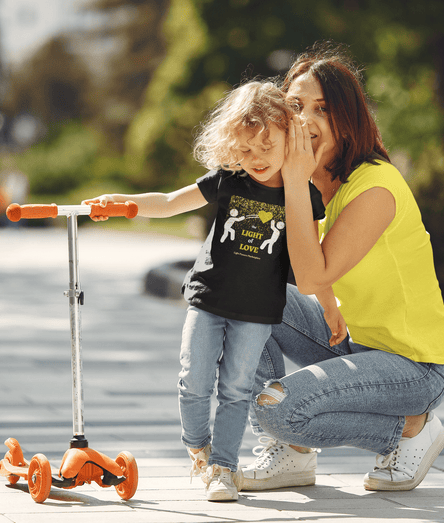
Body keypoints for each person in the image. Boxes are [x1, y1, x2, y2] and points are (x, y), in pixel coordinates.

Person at [82, 80, 329, 501]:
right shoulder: (229, 179)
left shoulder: (302, 193)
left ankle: (223, 469)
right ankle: (199, 447)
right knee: (193, 379)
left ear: (290, 133)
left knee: (236, 388)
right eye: (246, 148)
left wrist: (331, 307)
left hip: (257, 310)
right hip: (209, 299)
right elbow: (169, 202)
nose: (256, 158)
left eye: (267, 145)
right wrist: (122, 201)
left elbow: (312, 256)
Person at [241, 42, 444, 493]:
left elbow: (313, 274)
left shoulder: (374, 187)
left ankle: (411, 430)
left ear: (347, 120)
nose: (306, 120)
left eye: (322, 109)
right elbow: (287, 273)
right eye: (296, 107)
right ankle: (291, 455)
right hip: (356, 345)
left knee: (275, 409)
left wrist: (295, 181)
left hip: (414, 368)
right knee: (236, 292)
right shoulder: (322, 188)